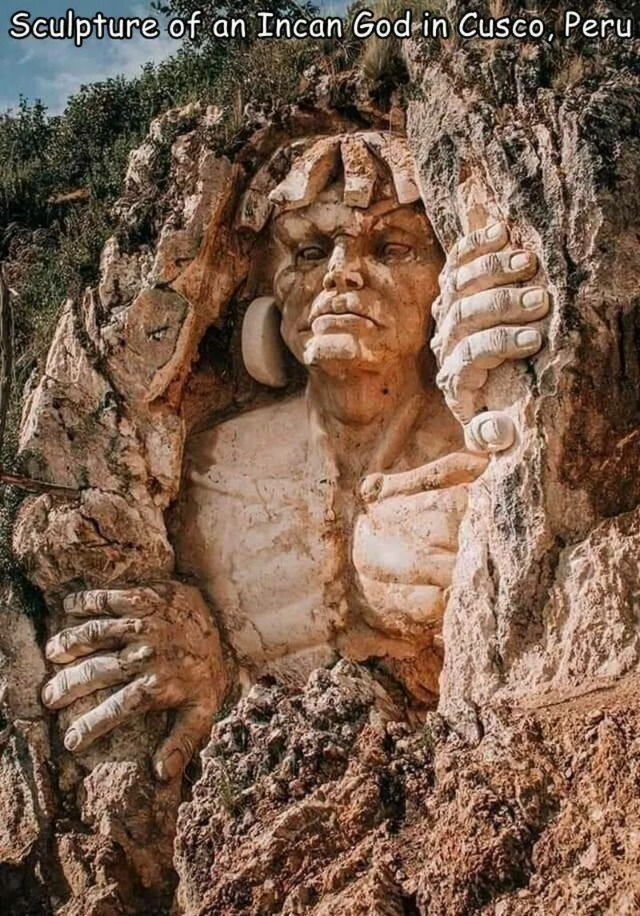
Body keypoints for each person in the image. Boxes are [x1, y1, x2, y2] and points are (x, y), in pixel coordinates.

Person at [40, 132, 549, 780]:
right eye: (309, 250)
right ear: (271, 294)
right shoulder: (208, 469)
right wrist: (203, 657)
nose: (341, 272)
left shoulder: (489, 449)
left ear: (444, 285)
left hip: (477, 788)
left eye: (391, 247)